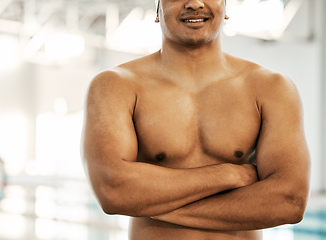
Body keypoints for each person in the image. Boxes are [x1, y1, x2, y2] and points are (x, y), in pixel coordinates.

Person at [82, 0, 311, 239]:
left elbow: (289, 200)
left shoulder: (271, 88)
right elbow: (113, 190)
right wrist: (229, 175)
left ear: (226, 8)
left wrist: (152, 203)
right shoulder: (116, 86)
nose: (194, 3)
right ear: (157, 11)